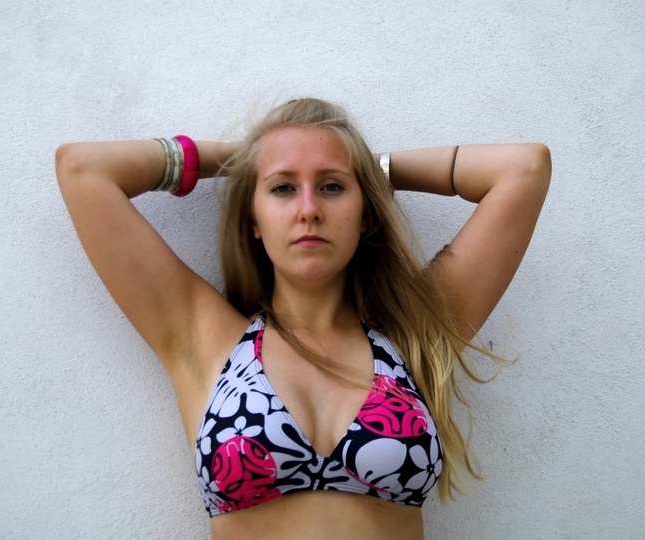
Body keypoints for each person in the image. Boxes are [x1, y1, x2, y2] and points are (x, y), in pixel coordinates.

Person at [55, 98, 551, 539]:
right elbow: (83, 169)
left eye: (332, 186)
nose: (309, 209)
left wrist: (374, 169)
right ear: (253, 218)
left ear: (365, 213)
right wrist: (244, 161)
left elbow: (524, 170)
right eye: (283, 188)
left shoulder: (415, 337)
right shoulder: (203, 337)